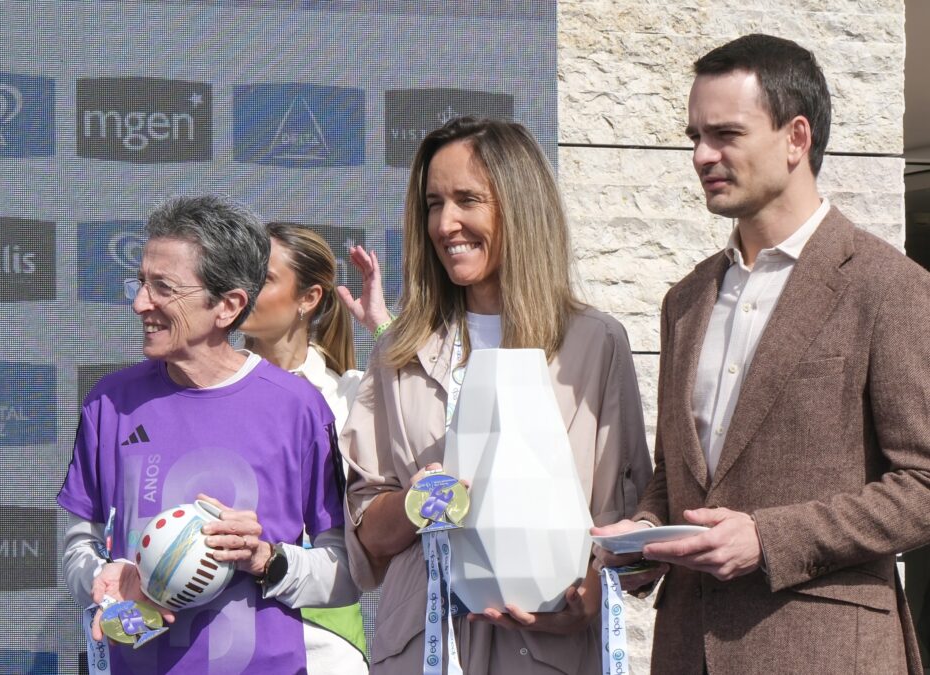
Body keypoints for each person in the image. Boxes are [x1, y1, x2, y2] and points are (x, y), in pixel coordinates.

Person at [591, 34, 930, 675]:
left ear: (796, 138)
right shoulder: (685, 300)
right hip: (686, 649)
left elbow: (924, 484)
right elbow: (680, 475)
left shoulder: (889, 288)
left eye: (725, 134)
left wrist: (770, 538)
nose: (701, 155)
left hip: (824, 652)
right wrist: (643, 538)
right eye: (694, 135)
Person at [341, 116, 653, 673]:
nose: (446, 223)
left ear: (519, 207)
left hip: (547, 649)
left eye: (467, 199)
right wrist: (419, 503)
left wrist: (586, 594)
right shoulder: (400, 349)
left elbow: (626, 521)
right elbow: (365, 528)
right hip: (424, 648)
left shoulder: (596, 344)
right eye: (434, 204)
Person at [57, 194, 359, 674]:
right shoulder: (109, 402)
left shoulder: (298, 407)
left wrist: (266, 560)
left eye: (163, 288)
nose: (140, 304)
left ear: (227, 306)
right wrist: (104, 576)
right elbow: (79, 545)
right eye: (140, 283)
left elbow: (344, 572)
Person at [239, 221, 379, 673]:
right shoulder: (202, 391)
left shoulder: (351, 395)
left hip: (326, 639)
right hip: (223, 629)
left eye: (262, 278)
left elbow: (442, 423)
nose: (243, 289)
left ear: (309, 298)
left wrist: (384, 329)